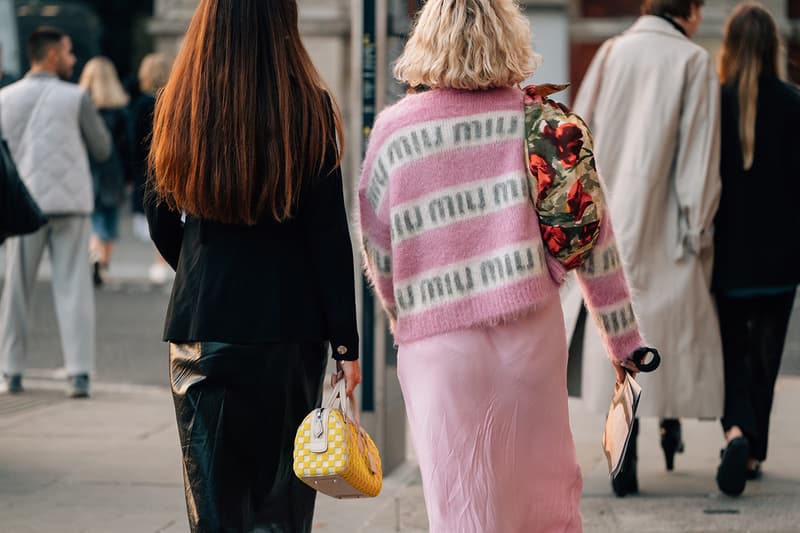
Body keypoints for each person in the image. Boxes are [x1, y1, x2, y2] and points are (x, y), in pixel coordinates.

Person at [359, 1, 650, 530]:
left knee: (463, 507)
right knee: (544, 503)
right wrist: (623, 343)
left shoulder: (393, 133)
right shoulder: (540, 124)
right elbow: (596, 242)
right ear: (508, 37)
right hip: (530, 341)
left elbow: (380, 253)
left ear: (426, 40)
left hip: (437, 349)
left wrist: (406, 318)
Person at [144, 1, 361, 531]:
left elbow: (158, 217)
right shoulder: (308, 107)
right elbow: (329, 239)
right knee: (280, 509)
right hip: (289, 330)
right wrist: (346, 345)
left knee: (214, 509)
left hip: (203, 328)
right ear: (282, 24)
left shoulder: (180, 102)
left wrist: (201, 274)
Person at [565, 0, 724, 496]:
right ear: (692, 11)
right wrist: (699, 229)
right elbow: (699, 161)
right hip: (663, 228)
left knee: (615, 338)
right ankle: (664, 425)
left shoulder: (611, 52)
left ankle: (623, 445)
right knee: (668, 343)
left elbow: (576, 135)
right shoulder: (693, 61)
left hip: (607, 225)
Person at [713, 2, 800, 497]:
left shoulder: (715, 103)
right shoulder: (794, 103)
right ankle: (755, 450)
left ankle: (736, 433)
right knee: (766, 360)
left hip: (728, 259)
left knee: (732, 354)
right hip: (782, 260)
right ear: (774, 48)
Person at [0, 27, 111, 398]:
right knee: (73, 287)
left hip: (23, 204)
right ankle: (78, 373)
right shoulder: (76, 96)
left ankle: (11, 370)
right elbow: (102, 149)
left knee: (16, 287)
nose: (73, 58)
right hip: (70, 204)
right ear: (51, 56)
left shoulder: (5, 98)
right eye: (68, 52)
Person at [78, 56, 130, 286]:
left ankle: (95, 255)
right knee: (110, 219)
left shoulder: (82, 105)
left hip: (88, 168)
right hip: (113, 170)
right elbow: (127, 145)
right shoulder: (119, 110)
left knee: (96, 218)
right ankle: (105, 265)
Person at [128, 53, 173, 285]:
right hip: (169, 166)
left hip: (146, 168)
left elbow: (133, 141)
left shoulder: (139, 105)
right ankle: (160, 264)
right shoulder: (173, 101)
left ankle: (157, 265)